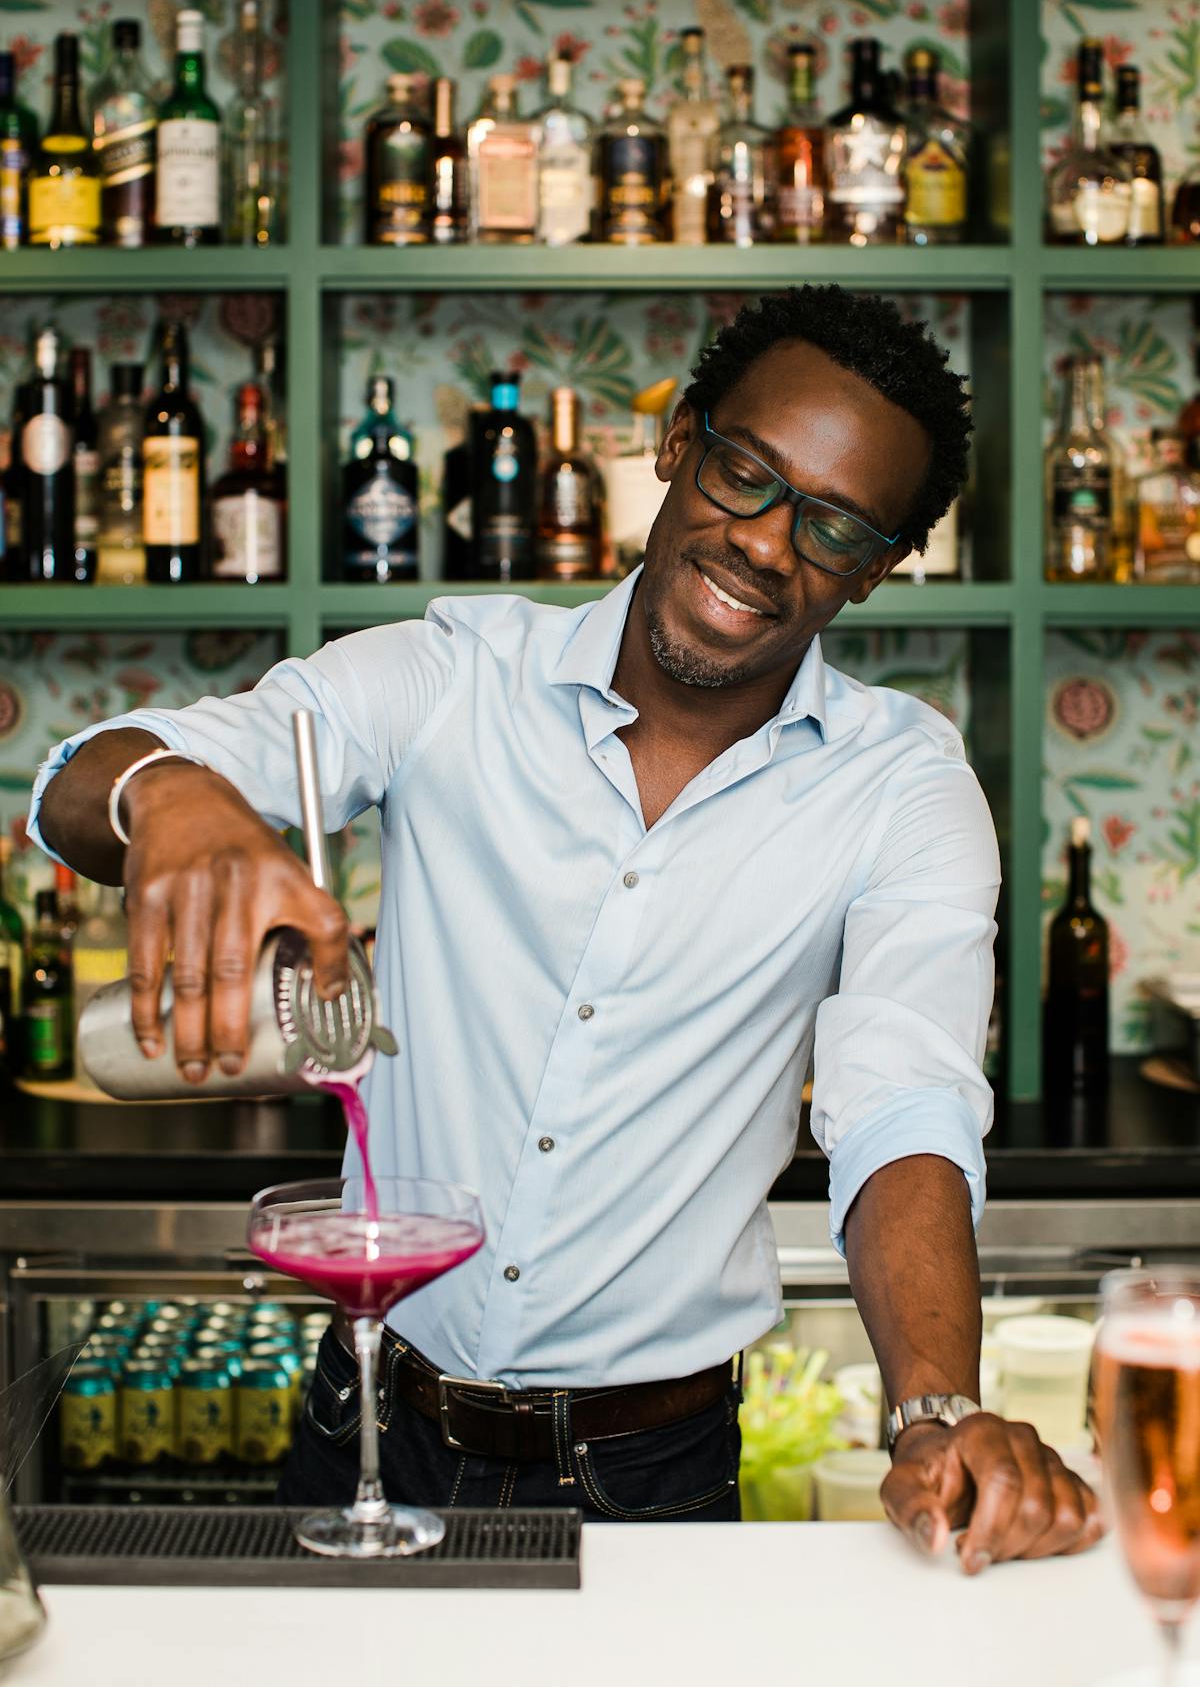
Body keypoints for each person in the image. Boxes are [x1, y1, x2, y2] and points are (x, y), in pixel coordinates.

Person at [31, 285, 1103, 1563]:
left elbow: (903, 1107)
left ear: (874, 568)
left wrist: (934, 1406)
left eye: (831, 525)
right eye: (747, 474)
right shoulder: (446, 676)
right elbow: (78, 784)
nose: (766, 542)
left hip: (654, 1470)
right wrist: (173, 796)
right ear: (678, 443)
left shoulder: (904, 787)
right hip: (368, 1426)